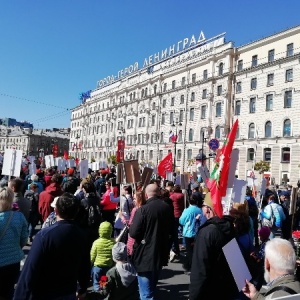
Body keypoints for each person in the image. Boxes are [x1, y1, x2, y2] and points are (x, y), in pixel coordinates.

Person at [14, 193, 91, 299]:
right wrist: (83, 288)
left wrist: (20, 296)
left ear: (56, 211)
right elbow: (85, 265)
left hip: (44, 292)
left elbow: (30, 269)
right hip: (68, 291)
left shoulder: (44, 236)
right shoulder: (82, 235)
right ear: (76, 212)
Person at [129, 183, 173, 300]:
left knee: (146, 294)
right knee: (151, 287)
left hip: (144, 254)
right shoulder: (166, 207)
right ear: (158, 193)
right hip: (160, 251)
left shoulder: (143, 210)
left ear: (146, 195)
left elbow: (133, 232)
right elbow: (172, 229)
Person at [189, 196, 238, 300]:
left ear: (208, 209)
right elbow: (235, 263)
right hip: (227, 290)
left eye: (203, 206)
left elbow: (200, 269)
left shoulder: (206, 232)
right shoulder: (230, 227)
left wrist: (193, 296)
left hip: (210, 291)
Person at [0, 186, 28, 300]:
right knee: (9, 290)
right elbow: (24, 238)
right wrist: (16, 248)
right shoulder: (19, 216)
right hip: (13, 261)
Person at [179, 194, 203, 272]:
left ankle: (190, 266)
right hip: (198, 232)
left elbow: (181, 221)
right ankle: (190, 264)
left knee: (189, 251)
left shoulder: (187, 210)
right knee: (195, 250)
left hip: (188, 232)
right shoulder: (200, 210)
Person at [90, 221, 116, 292]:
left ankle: (96, 291)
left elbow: (92, 255)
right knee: (103, 281)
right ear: (110, 231)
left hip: (97, 267)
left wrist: (91, 263)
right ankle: (103, 291)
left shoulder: (96, 242)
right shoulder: (113, 242)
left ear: (100, 231)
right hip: (108, 266)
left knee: (95, 282)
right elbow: (114, 255)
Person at [127, 191, 146, 257]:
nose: (133, 200)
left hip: (133, 237)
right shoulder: (145, 208)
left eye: (135, 199)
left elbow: (130, 223)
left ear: (139, 199)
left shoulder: (135, 209)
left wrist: (122, 218)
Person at [169, 184, 185, 262]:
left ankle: (175, 249)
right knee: (183, 231)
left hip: (174, 215)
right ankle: (183, 246)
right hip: (181, 214)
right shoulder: (182, 195)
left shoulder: (172, 196)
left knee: (174, 234)